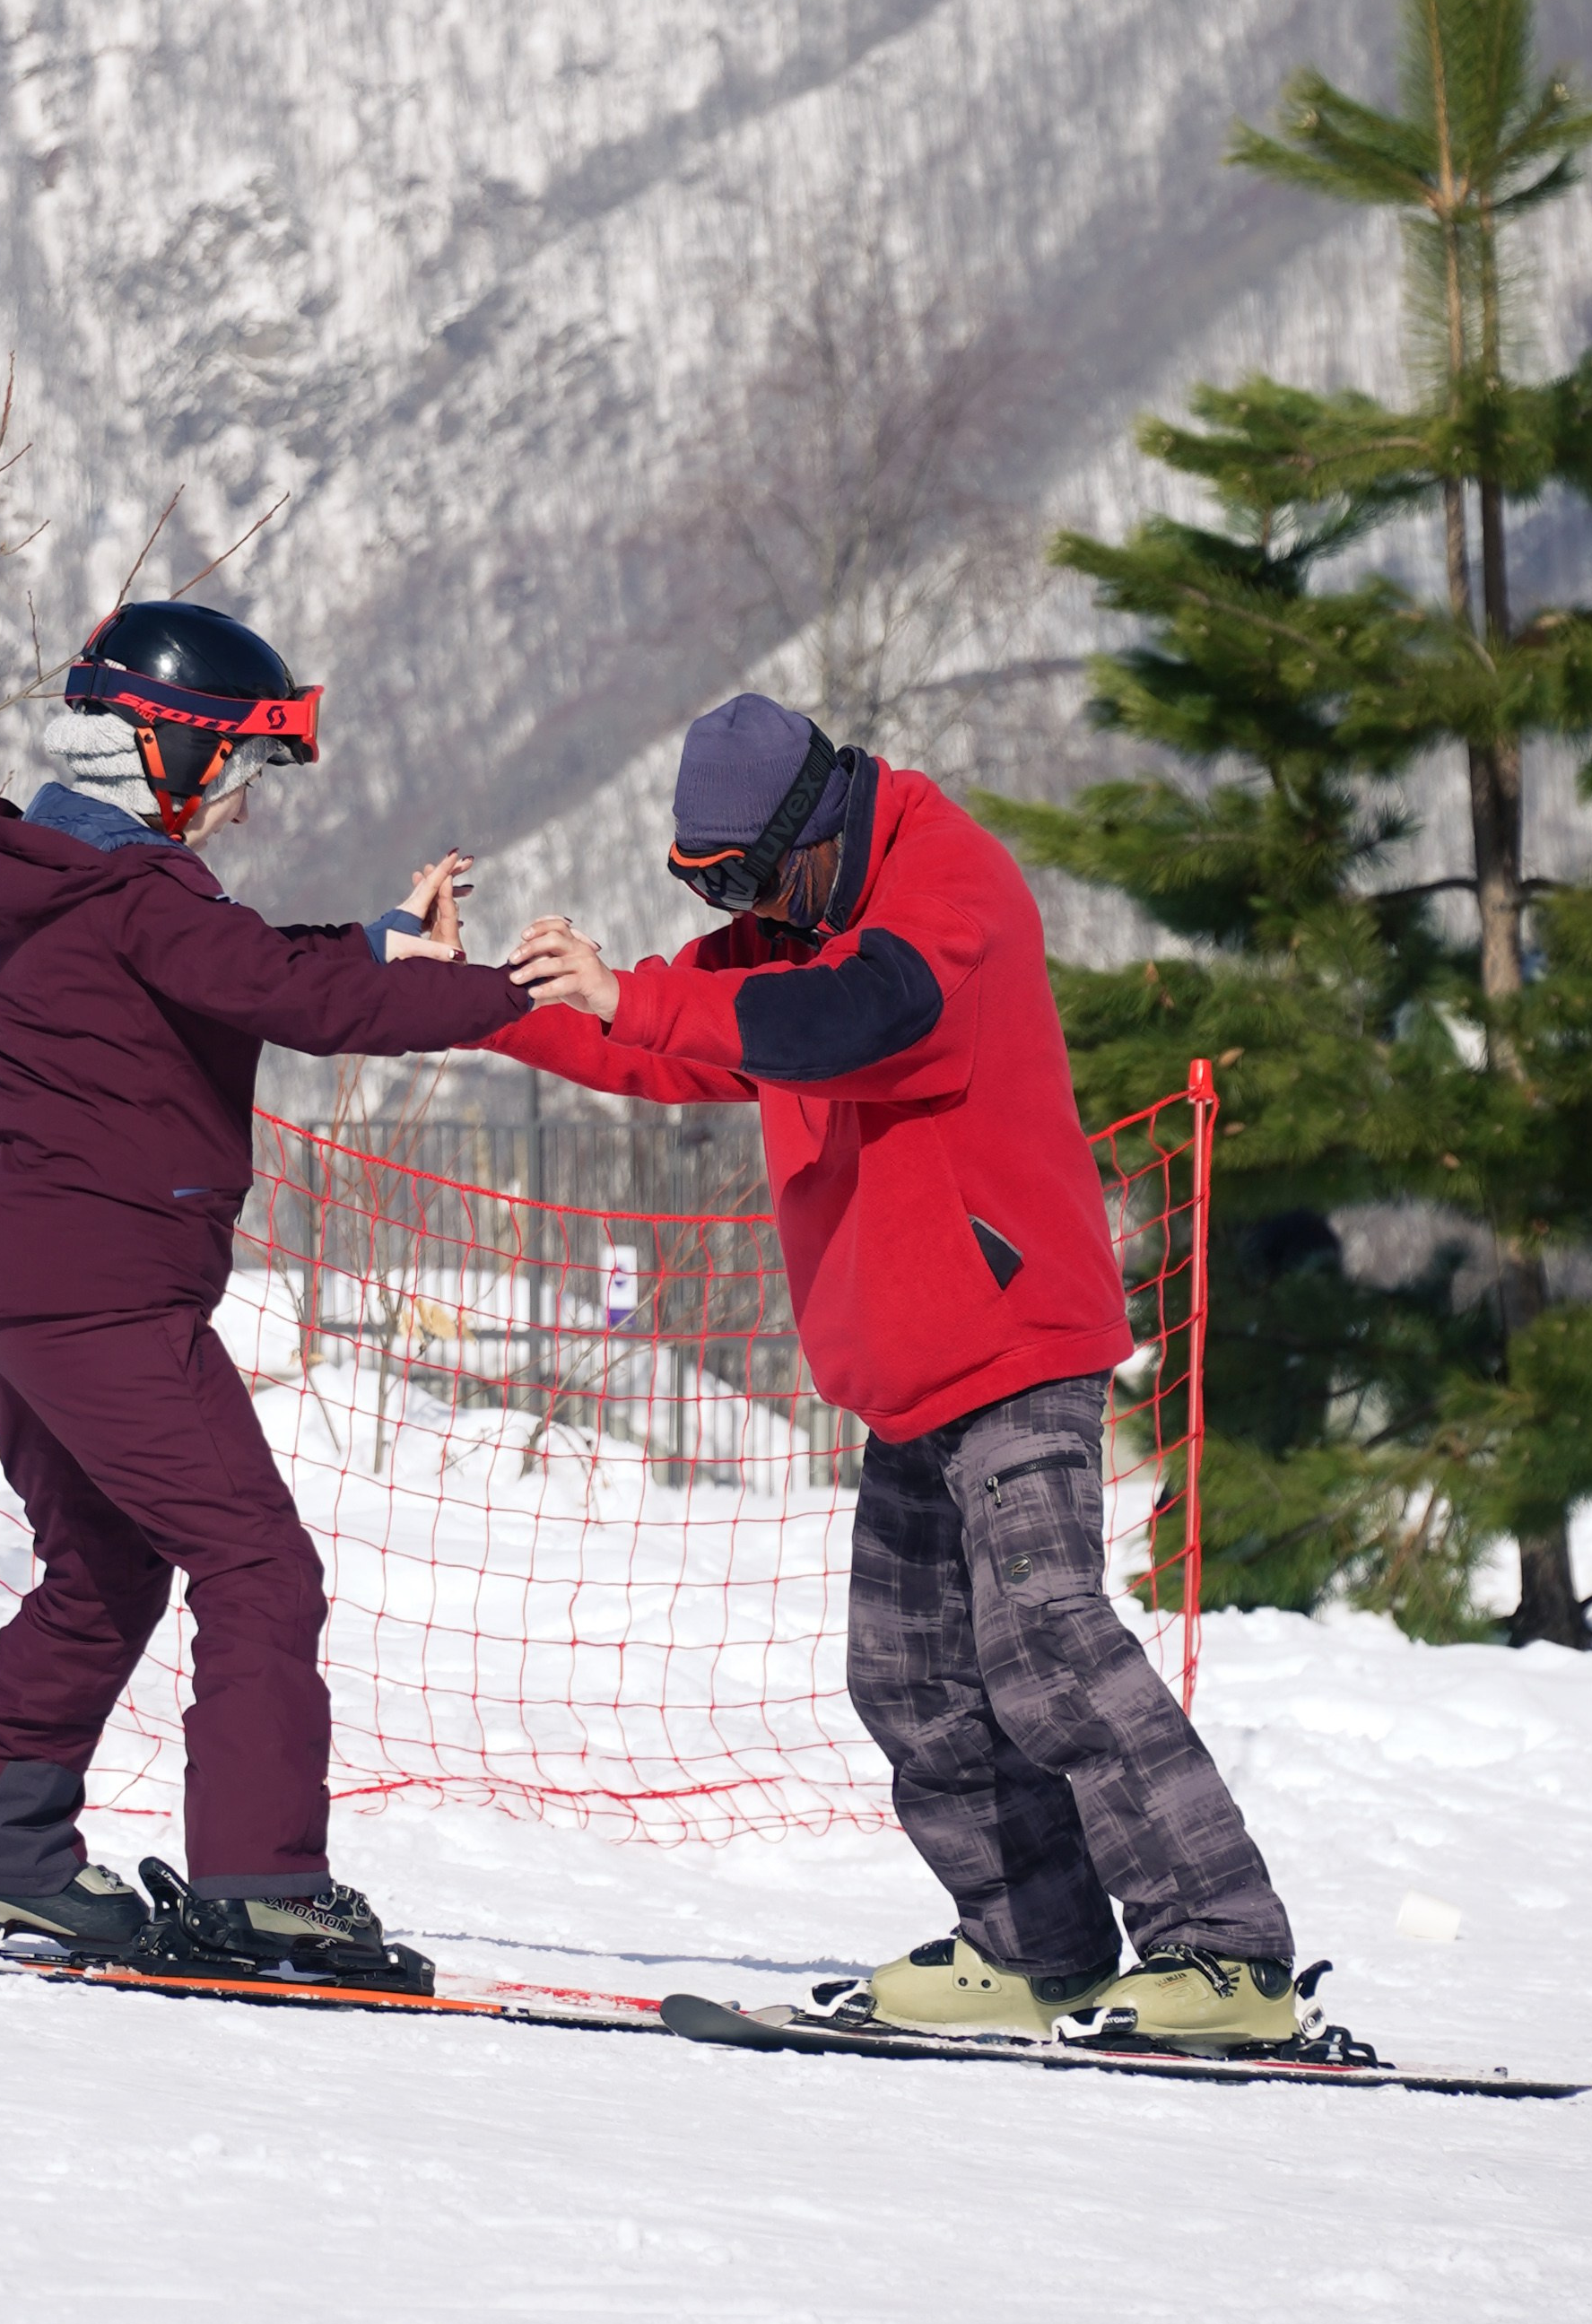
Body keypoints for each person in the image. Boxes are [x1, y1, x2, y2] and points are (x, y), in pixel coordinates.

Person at [500, 692, 1300, 2052]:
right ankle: (1032, 1948)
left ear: (810, 833)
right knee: (909, 1673)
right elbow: (687, 1035)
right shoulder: (805, 921)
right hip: (908, 1368)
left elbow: (850, 1018)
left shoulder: (942, 885)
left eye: (748, 879)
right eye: (710, 889)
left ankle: (1225, 1956)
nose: (739, 911)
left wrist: (645, 991)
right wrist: (489, 1001)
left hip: (1014, 1340)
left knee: (1046, 1639)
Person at [0, 598, 531, 1987]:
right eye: (237, 774)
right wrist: (521, 997)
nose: (240, 811)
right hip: (103, 1294)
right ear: (162, 751)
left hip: (15, 1286)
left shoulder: (71, 879)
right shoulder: (133, 891)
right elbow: (296, 1003)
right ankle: (264, 1888)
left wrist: (395, 943)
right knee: (258, 1564)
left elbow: (254, 969)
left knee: (102, 1570)